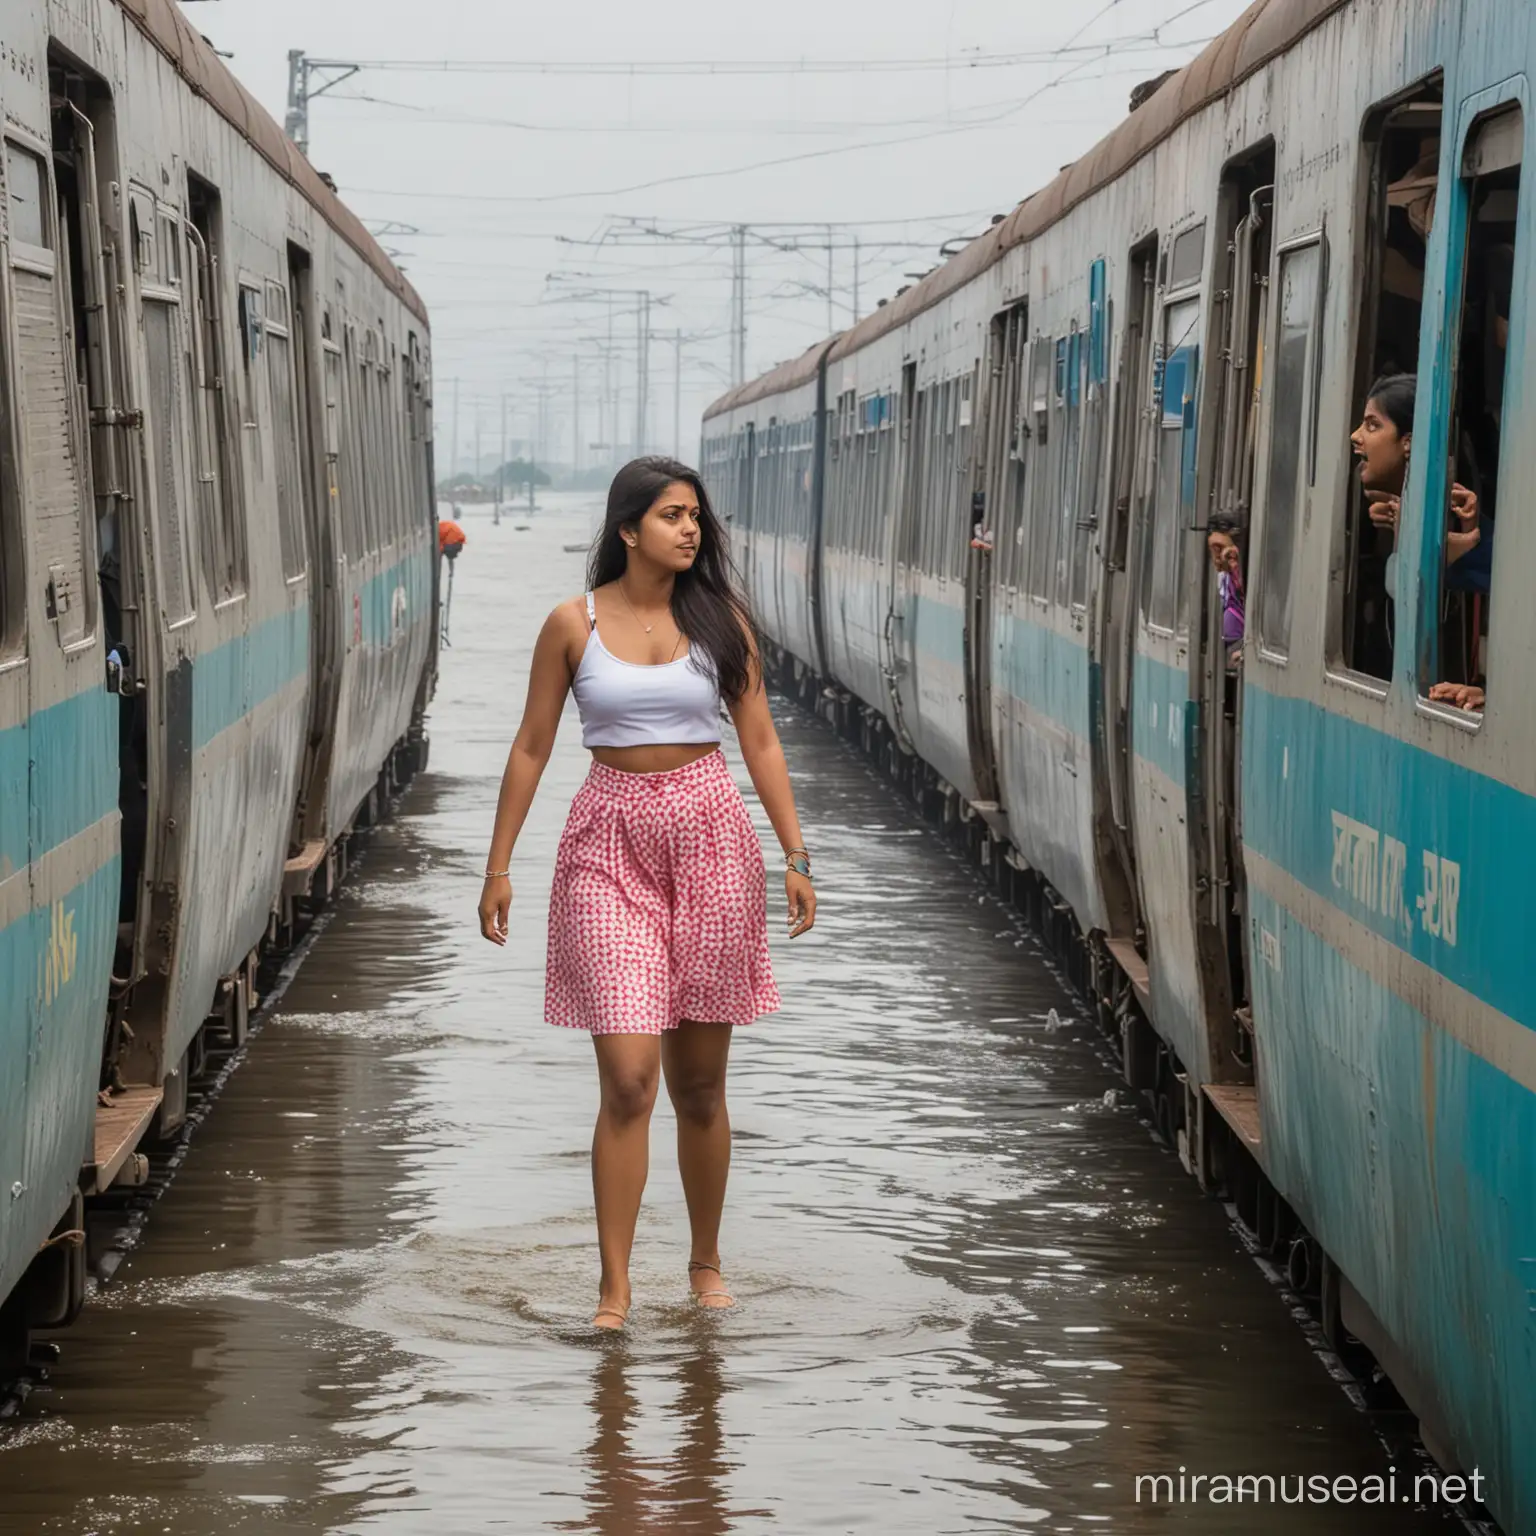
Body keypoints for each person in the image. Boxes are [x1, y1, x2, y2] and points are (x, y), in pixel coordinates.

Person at [477, 457, 817, 1331]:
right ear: (628, 529)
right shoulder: (573, 623)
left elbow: (763, 743)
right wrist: (498, 865)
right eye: (672, 516)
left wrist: (796, 853)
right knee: (630, 1081)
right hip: (607, 842)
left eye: (697, 517)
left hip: (711, 839)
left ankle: (704, 1263)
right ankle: (615, 1288)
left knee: (699, 1087)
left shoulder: (723, 622)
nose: (691, 530)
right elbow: (531, 745)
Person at [1207, 523, 1245, 659]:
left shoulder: (1240, 575)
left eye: (1220, 548)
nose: (1217, 557)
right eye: (1213, 551)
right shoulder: (1223, 579)